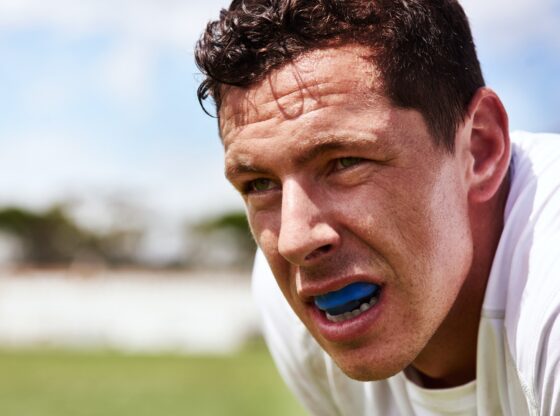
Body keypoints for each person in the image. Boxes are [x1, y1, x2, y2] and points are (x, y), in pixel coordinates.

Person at [195, 0, 560, 414]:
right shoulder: (290, 303)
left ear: (479, 147)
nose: (295, 240)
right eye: (260, 184)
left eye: (345, 162)